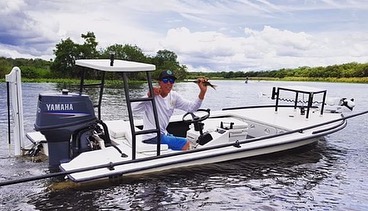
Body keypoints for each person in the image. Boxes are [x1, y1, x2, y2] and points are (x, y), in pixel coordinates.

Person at [133, 70, 208, 150]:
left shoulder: (174, 96)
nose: (169, 83)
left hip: (162, 133)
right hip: (151, 136)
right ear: (159, 82)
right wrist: (148, 95)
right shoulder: (152, 96)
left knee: (175, 138)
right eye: (165, 80)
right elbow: (132, 108)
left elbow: (192, 108)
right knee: (185, 142)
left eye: (171, 81)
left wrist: (202, 92)